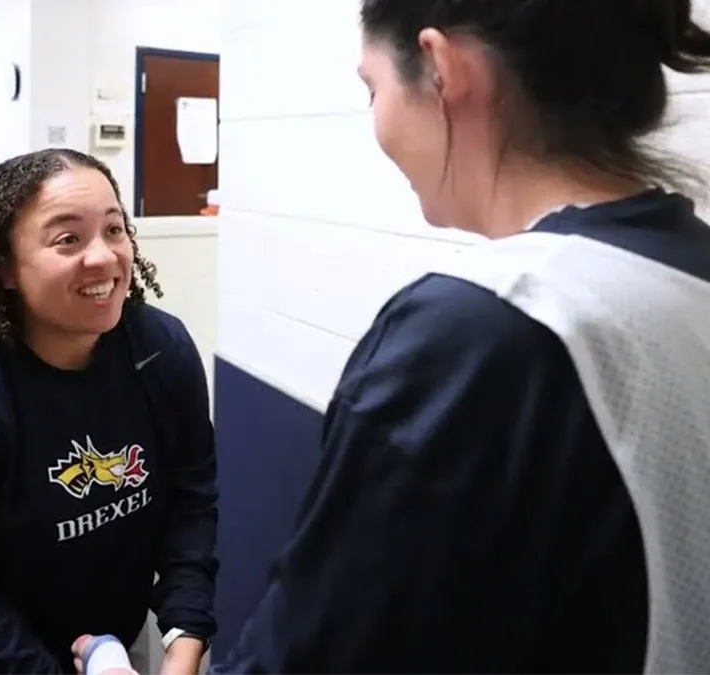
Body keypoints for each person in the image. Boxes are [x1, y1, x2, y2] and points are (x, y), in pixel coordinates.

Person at [214, 1, 710, 673]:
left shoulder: (482, 334)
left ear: (443, 67)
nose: (377, 120)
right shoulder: (684, 273)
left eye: (373, 89)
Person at [0, 148, 218, 674]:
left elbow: (191, 500)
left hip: (105, 653)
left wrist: (185, 638)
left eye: (114, 229)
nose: (105, 257)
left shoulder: (160, 351)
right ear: (5, 266)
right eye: (68, 239)